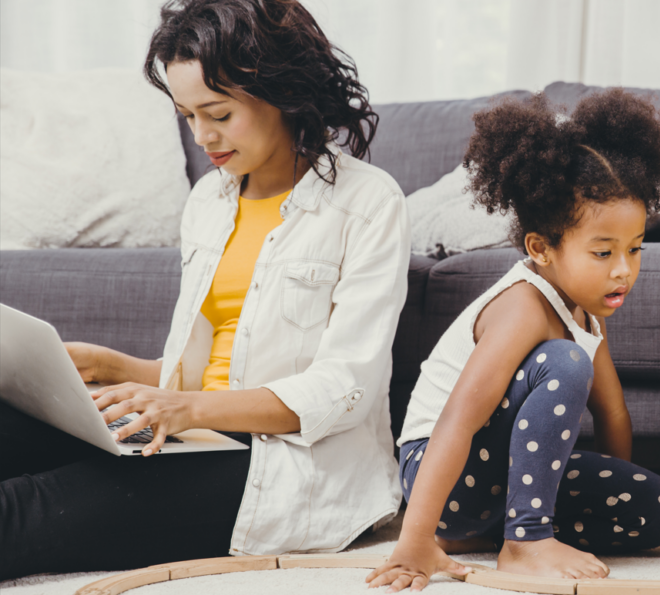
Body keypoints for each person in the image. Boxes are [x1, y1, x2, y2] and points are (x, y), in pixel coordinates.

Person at [0, 0, 408, 579]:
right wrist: (112, 367)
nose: (201, 136)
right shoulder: (209, 201)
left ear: (282, 91)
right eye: (187, 115)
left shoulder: (368, 202)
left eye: (217, 113)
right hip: (195, 434)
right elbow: (223, 361)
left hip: (277, 466)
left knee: (22, 512)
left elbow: (346, 388)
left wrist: (186, 407)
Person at [366, 90, 660, 591]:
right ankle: (524, 542)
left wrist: (610, 484)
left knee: (659, 507)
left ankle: (509, 530)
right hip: (441, 474)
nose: (624, 270)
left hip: (498, 485)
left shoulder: (586, 313)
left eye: (635, 249)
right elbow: (457, 422)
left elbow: (612, 413)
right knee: (566, 362)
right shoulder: (522, 306)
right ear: (541, 248)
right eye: (603, 252)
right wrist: (414, 539)